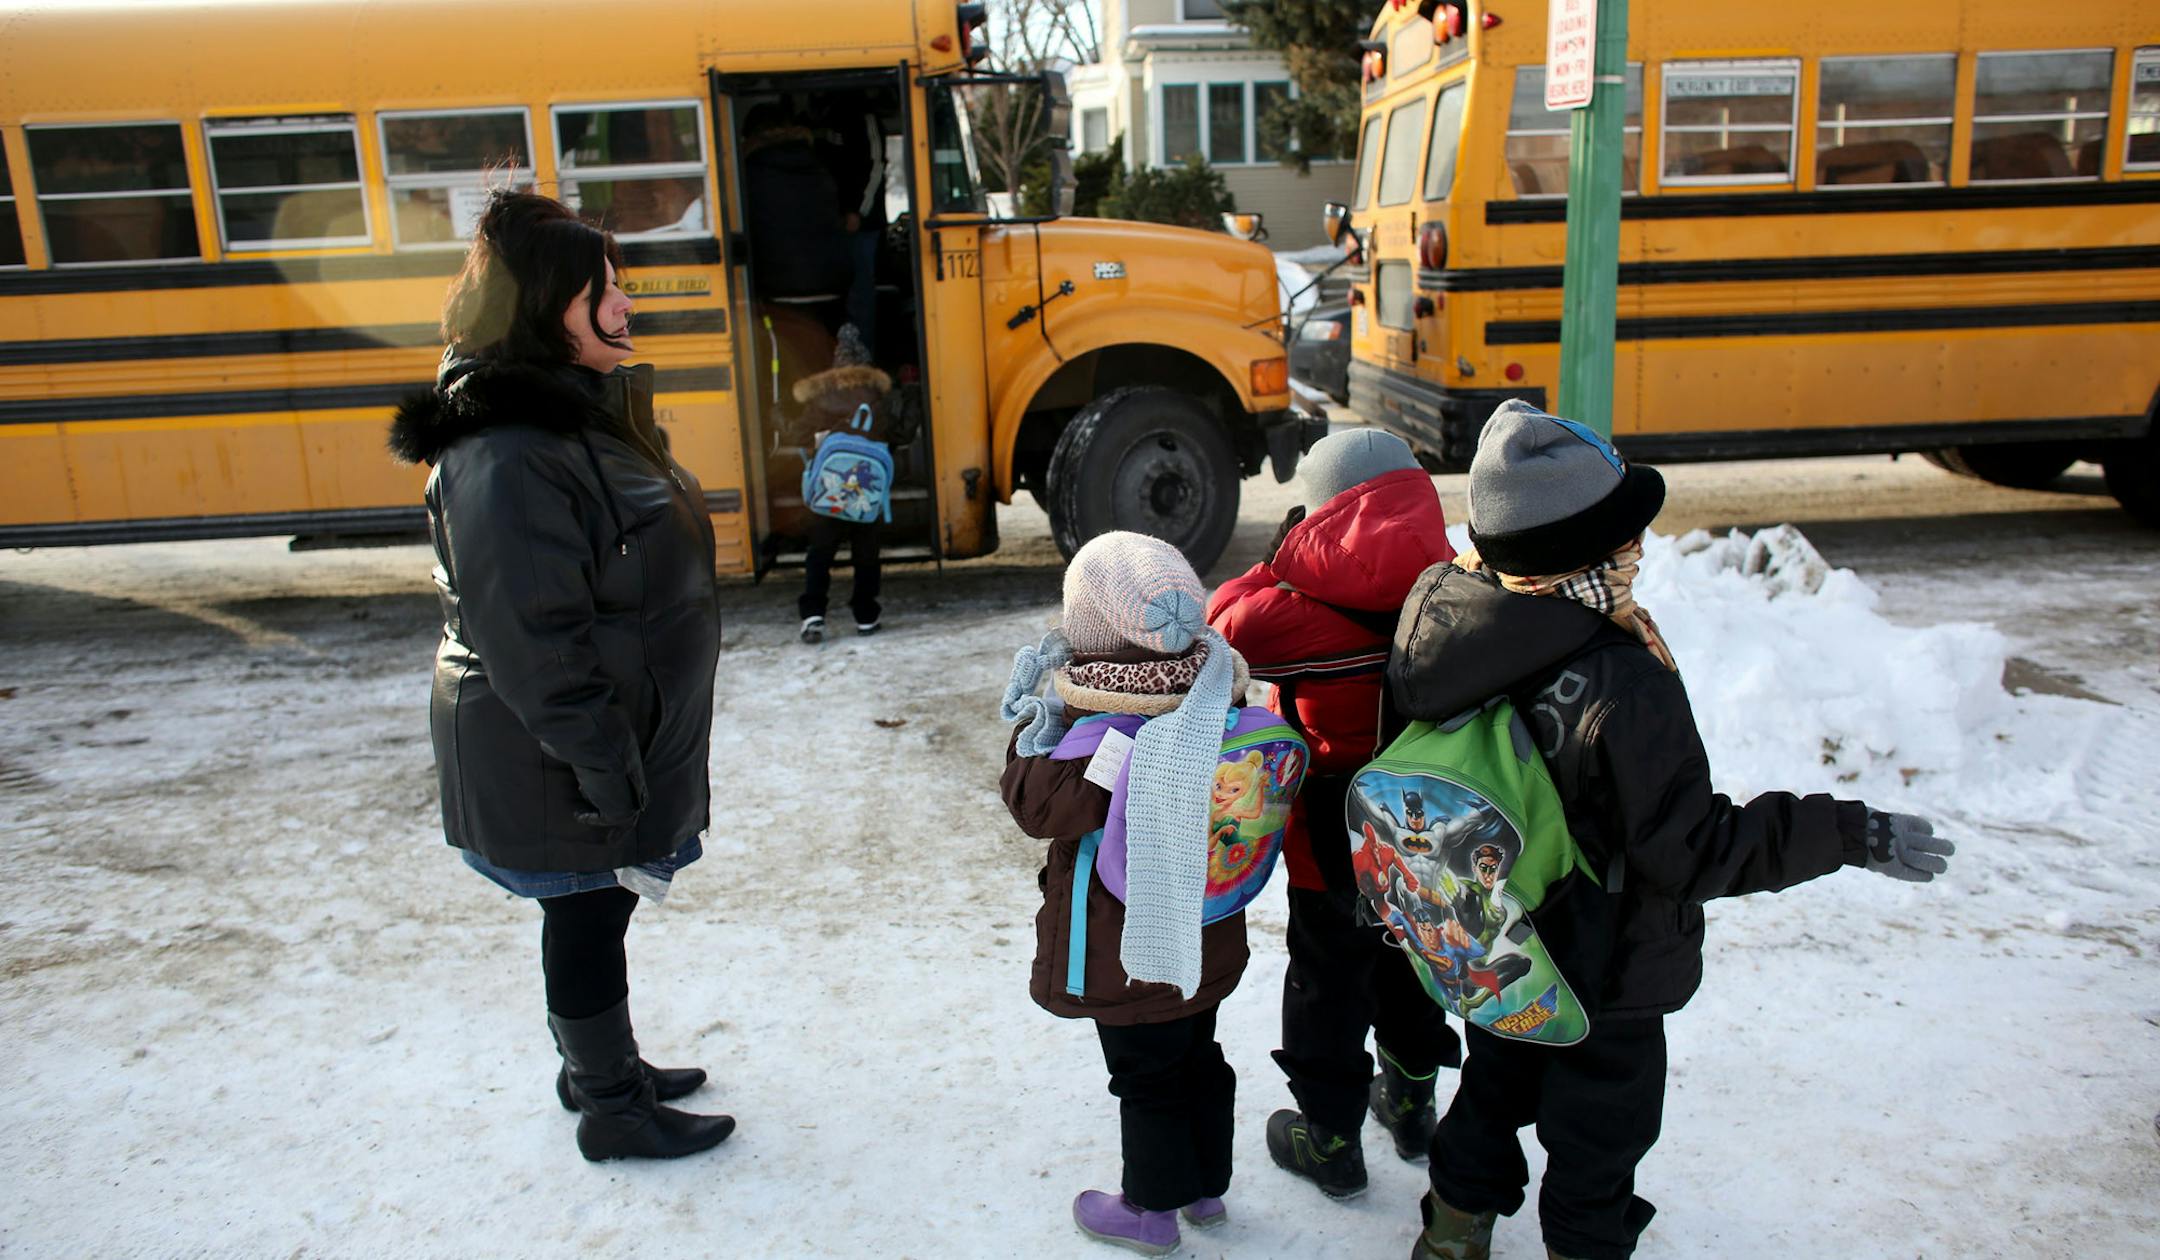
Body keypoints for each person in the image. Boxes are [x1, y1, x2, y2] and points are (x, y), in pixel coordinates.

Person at [1388, 401, 1955, 1260]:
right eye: (1626, 535)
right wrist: (1844, 832)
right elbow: (1691, 852)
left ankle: (1454, 1234)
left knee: (1496, 1089)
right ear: (1588, 548)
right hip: (1606, 969)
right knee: (1597, 1141)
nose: (1639, 550)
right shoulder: (1621, 679)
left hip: (1496, 939)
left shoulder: (1447, 622)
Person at [387, 190, 734, 1163]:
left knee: (599, 907)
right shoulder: (505, 451)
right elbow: (535, 642)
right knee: (585, 913)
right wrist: (607, 765)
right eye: (607, 291)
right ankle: (611, 1108)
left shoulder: (575, 417)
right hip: (552, 750)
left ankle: (599, 1067)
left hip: (594, 738)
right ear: (550, 308)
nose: (627, 305)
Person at [1204, 427, 1464, 1201]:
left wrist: (1284, 555)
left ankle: (1330, 1139)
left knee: (1327, 983)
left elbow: (1222, 630)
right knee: (1416, 965)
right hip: (1428, 833)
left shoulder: (1295, 611)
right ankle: (1413, 1106)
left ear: (1327, 514)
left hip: (1332, 845)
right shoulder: (1453, 583)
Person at [998, 532, 1256, 1257]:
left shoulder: (1103, 733)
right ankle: (1204, 1185)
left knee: (1145, 1076)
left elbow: (1037, 807)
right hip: (1205, 937)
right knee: (1198, 1056)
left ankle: (1150, 1209)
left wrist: (1036, 731)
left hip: (1128, 948)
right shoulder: (1218, 701)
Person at [788, 323, 892, 643]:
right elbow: (897, 435)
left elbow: (798, 435)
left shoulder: (822, 397)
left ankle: (814, 614)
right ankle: (865, 615)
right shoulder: (879, 397)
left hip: (829, 493)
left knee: (820, 553)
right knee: (866, 555)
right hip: (867, 493)